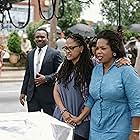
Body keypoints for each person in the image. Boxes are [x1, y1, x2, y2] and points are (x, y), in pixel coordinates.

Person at [68, 30, 140, 140]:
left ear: (114, 50)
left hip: (118, 131)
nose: (98, 52)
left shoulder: (126, 71)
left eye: (103, 48)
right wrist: (79, 118)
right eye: (96, 48)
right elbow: (92, 98)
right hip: (95, 130)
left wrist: (135, 132)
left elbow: (136, 104)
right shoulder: (96, 69)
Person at [53, 34, 93, 140]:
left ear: (81, 48)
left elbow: (92, 97)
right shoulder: (63, 67)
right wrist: (64, 111)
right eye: (66, 48)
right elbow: (56, 91)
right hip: (61, 117)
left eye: (71, 48)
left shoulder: (91, 67)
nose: (68, 51)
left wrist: (79, 118)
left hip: (82, 121)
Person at [19, 28, 63, 116]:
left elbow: (61, 73)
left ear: (47, 39)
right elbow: (28, 74)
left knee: (51, 123)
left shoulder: (55, 54)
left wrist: (46, 78)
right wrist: (23, 92)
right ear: (34, 39)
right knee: (34, 123)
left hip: (49, 96)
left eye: (42, 37)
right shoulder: (30, 54)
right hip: (32, 96)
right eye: (37, 37)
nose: (39, 39)